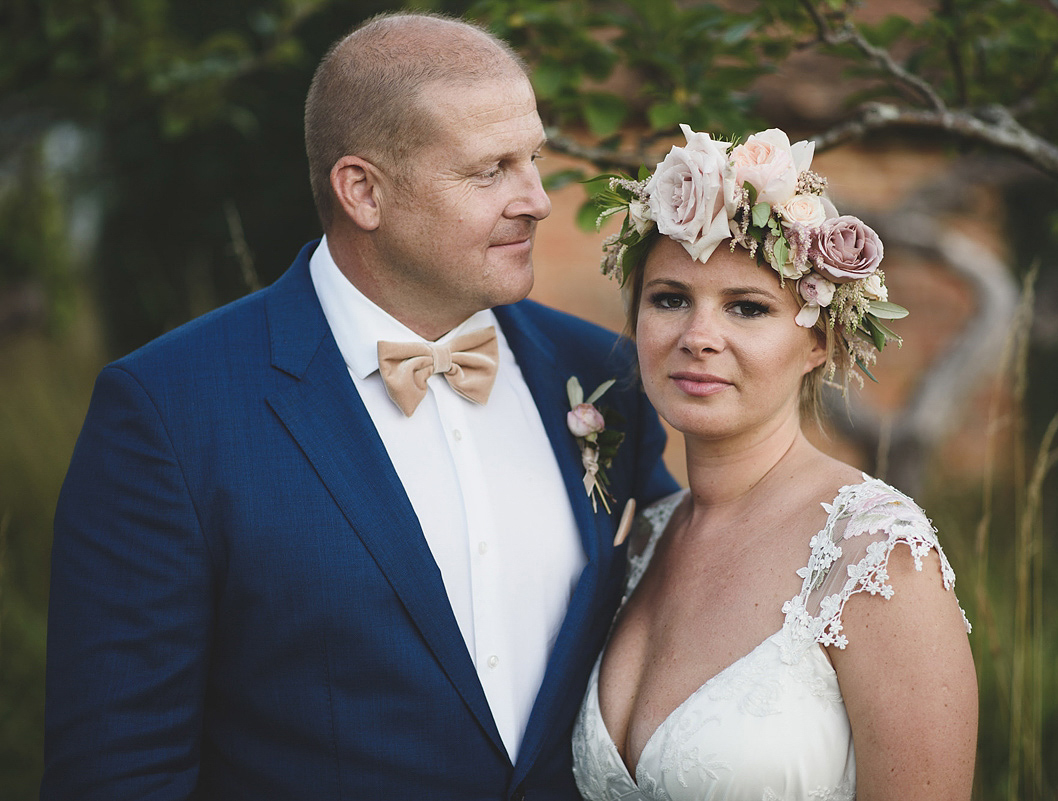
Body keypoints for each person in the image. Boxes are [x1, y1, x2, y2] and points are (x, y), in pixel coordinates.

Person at [42, 12, 675, 800]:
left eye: (535, 158)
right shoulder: (170, 413)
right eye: (492, 171)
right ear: (363, 191)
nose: (540, 200)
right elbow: (119, 769)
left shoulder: (602, 374)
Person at [571, 125, 978, 799]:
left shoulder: (877, 554)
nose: (699, 337)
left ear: (818, 340)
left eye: (748, 307)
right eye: (670, 298)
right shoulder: (640, 540)